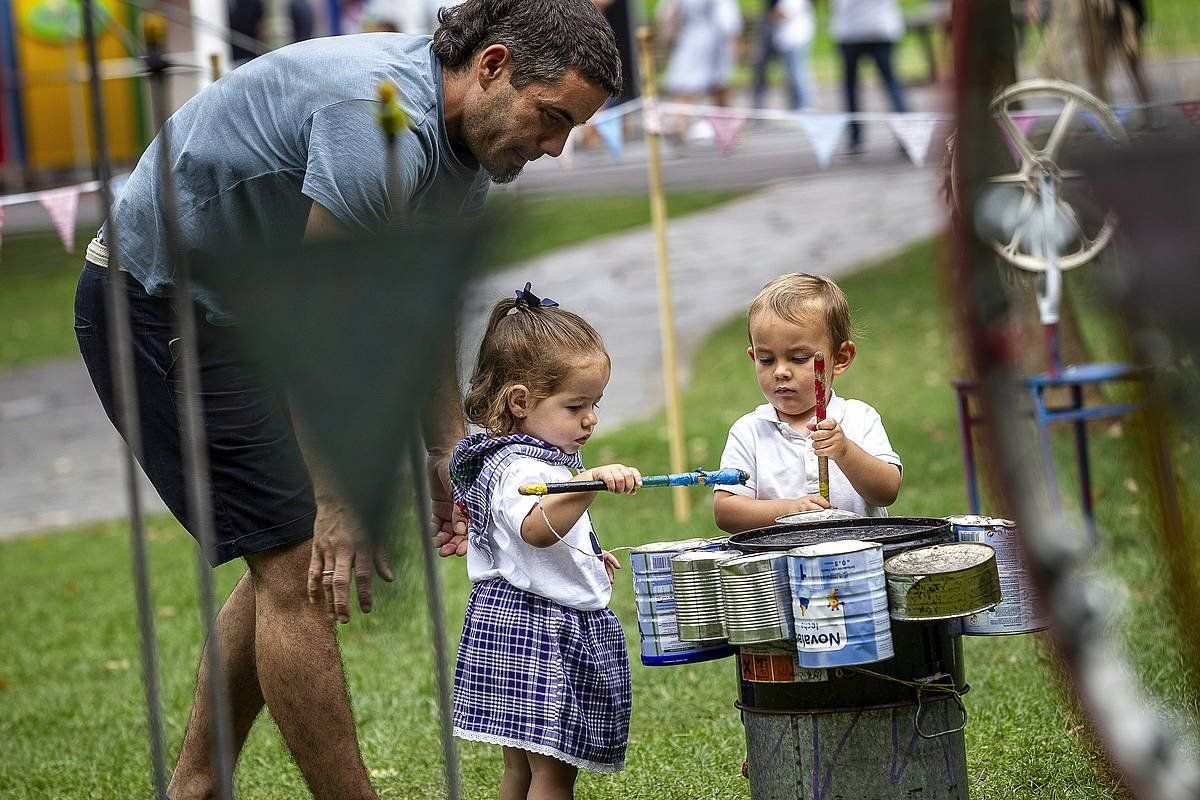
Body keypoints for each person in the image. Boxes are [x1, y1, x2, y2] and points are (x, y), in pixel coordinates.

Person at [72, 2, 622, 798]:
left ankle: (194, 787)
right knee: (297, 561)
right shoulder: (378, 119)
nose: (554, 145)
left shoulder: (461, 149)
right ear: (494, 66)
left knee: (278, 561)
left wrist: (448, 449)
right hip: (160, 307)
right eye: (552, 117)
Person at [450, 284, 635, 799]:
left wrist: (588, 557)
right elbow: (533, 526)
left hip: (512, 618)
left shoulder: (515, 456)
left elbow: (529, 545)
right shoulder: (521, 466)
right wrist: (591, 483)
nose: (591, 419)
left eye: (595, 404)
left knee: (522, 770)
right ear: (520, 401)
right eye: (576, 405)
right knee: (553, 773)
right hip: (539, 628)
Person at [713, 273, 903, 533]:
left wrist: (845, 452)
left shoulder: (859, 417)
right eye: (766, 360)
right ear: (753, 357)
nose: (780, 371)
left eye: (799, 358)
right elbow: (725, 511)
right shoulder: (750, 432)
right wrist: (789, 510)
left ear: (841, 358)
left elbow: (887, 491)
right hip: (782, 569)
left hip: (860, 560)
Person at [829, 0, 909, 155]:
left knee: (852, 87)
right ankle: (908, 135)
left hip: (851, 29)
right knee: (891, 84)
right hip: (879, 27)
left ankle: (855, 138)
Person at [658, 0, 743, 108]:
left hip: (709, 42)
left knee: (717, 88)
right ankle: (681, 122)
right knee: (688, 89)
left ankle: (724, 122)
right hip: (694, 41)